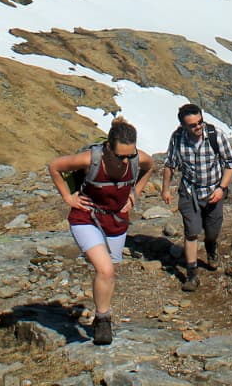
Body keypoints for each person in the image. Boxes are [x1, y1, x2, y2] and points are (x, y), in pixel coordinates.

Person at [47, 117, 154, 345]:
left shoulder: (137, 158)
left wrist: (134, 196)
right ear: (107, 148)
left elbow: (149, 167)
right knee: (105, 270)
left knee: (110, 272)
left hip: (116, 219)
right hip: (86, 217)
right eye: (120, 156)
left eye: (129, 155)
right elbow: (55, 166)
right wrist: (68, 197)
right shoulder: (90, 159)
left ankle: (100, 314)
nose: (126, 161)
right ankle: (104, 319)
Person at [160, 102, 232, 292]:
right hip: (189, 192)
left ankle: (211, 248)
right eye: (192, 125)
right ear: (183, 126)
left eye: (200, 122)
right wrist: (165, 189)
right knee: (191, 232)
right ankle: (192, 274)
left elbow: (230, 163)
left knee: (212, 231)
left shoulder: (215, 135)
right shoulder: (178, 138)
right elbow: (170, 164)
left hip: (213, 191)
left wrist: (221, 189)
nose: (198, 127)